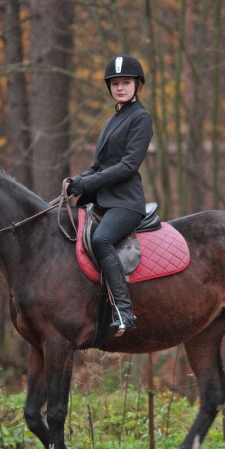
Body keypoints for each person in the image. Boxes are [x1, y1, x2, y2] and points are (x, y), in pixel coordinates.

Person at [67, 55, 153, 336]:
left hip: (126, 202)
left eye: (125, 83)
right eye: (115, 84)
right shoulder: (112, 121)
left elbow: (128, 166)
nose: (120, 88)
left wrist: (89, 181)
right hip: (102, 199)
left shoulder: (141, 118)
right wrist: (77, 181)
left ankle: (124, 311)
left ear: (136, 85)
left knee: (101, 238)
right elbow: (99, 166)